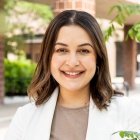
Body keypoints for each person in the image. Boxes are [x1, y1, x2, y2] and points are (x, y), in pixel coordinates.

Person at [4, 10, 140, 140]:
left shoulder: (129, 112)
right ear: (48, 57)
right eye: (62, 50)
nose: (72, 62)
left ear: (98, 57)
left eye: (84, 50)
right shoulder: (25, 117)